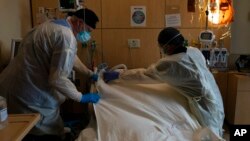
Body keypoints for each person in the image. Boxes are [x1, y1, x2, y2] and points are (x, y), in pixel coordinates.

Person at [0, 8, 100, 140]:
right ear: (80, 23)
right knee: (45, 131)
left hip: (10, 85)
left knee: (19, 129)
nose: (88, 35)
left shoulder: (51, 25)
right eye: (88, 30)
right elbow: (57, 79)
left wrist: (89, 73)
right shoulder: (66, 36)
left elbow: (72, 57)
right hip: (29, 95)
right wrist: (81, 97)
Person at [145, 27, 225, 138]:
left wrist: (120, 75)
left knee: (209, 132)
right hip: (214, 94)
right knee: (216, 125)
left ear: (168, 46)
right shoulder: (194, 51)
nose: (161, 49)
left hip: (202, 104)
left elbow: (145, 75)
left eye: (161, 46)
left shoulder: (170, 63)